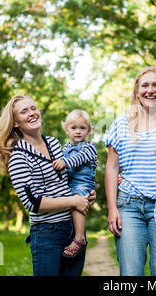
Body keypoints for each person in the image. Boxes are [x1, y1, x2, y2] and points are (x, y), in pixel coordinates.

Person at [0, 95, 96, 276]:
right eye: (24, 111)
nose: (31, 113)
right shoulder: (18, 157)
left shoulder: (54, 143)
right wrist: (73, 201)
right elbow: (33, 203)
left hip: (72, 228)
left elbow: (65, 180)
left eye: (33, 108)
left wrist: (85, 195)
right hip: (47, 233)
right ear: (15, 122)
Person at [105, 66, 156, 276]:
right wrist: (112, 208)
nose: (151, 90)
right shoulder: (121, 123)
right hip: (129, 207)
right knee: (130, 273)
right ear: (136, 91)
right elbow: (112, 168)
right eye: (145, 85)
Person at [52, 110, 98, 258]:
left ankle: (79, 238)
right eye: (74, 128)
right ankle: (70, 234)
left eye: (82, 128)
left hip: (83, 183)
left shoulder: (89, 147)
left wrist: (64, 162)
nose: (78, 131)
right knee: (66, 204)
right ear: (67, 130)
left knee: (77, 200)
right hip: (69, 182)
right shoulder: (65, 148)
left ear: (89, 130)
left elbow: (80, 158)